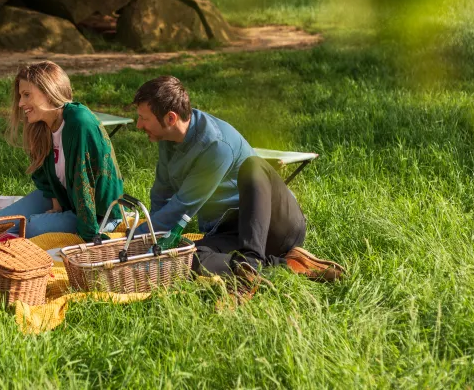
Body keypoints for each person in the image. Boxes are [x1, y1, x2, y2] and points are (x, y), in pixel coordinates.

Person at [132, 76, 343, 282]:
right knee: (186, 259)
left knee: (254, 166)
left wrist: (131, 239)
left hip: (275, 225)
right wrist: (150, 239)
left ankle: (251, 260)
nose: (139, 125)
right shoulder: (168, 139)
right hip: (232, 231)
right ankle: (287, 265)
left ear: (170, 118)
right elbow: (161, 193)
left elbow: (183, 206)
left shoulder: (216, 145)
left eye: (144, 118)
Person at [0, 61, 124, 241]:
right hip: (65, 198)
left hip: (97, 214)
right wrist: (56, 205)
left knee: (32, 228)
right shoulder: (41, 125)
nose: (21, 103)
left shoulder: (79, 122)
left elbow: (85, 182)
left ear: (48, 92)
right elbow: (43, 174)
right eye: (20, 96)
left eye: (26, 95)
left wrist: (89, 237)